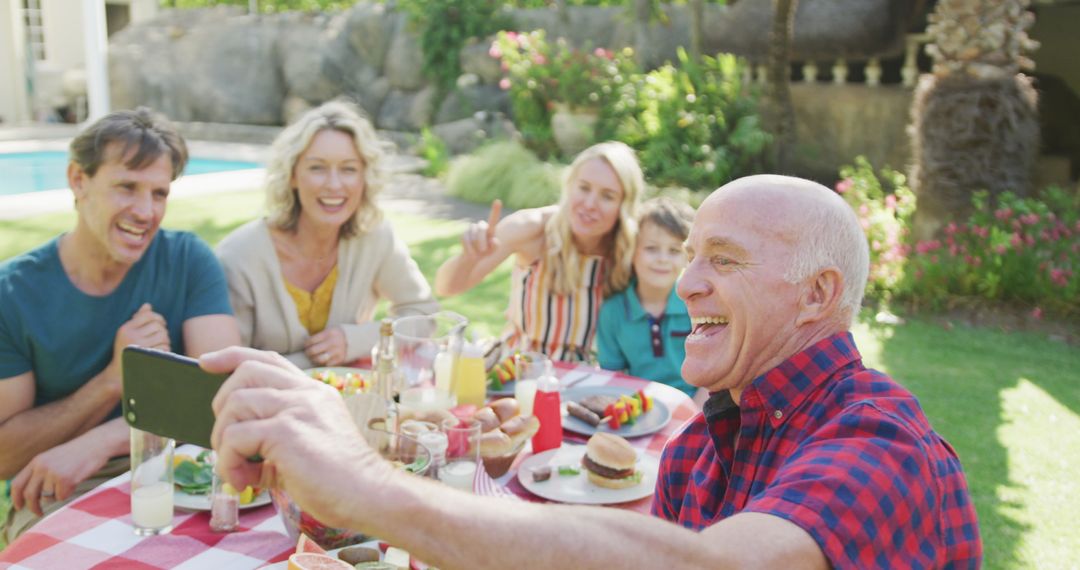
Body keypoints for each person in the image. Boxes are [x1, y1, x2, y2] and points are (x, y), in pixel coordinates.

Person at [206, 175, 982, 568]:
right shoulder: (696, 447)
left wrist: (364, 484)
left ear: (817, 294)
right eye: (689, 256)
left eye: (724, 261)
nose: (687, 283)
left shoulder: (880, 441)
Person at [0, 107, 240, 541]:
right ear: (78, 180)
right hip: (63, 488)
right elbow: (5, 455)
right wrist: (112, 382)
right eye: (127, 187)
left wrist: (100, 441)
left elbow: (223, 396)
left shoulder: (188, 261)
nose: (145, 211)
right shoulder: (12, 293)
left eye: (159, 193)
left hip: (183, 471)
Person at [215, 101, 437, 369]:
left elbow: (424, 316)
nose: (334, 184)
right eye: (317, 168)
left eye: (348, 169)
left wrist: (354, 340)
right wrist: (312, 361)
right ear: (292, 176)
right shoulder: (238, 257)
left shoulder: (376, 238)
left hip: (351, 394)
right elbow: (227, 367)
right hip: (263, 396)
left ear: (365, 178)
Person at [434, 141, 642, 362]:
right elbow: (446, 287)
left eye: (607, 196)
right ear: (570, 186)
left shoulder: (630, 247)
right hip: (520, 369)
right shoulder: (531, 228)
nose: (590, 204)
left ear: (624, 204)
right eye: (584, 188)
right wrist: (468, 258)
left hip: (589, 375)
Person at [596, 197, 696, 396]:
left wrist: (694, 411)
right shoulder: (613, 311)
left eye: (674, 250)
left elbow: (713, 378)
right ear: (632, 251)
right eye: (651, 248)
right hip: (639, 403)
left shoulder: (696, 304)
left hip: (696, 405)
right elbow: (613, 376)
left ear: (687, 256)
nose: (663, 259)